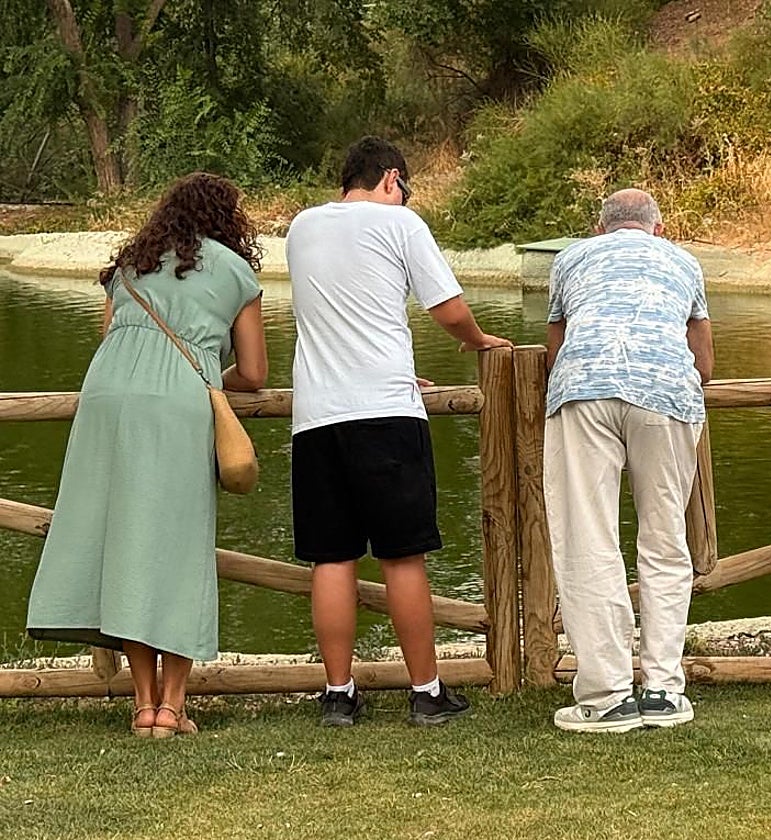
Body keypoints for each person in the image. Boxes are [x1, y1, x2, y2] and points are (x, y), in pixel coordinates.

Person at [27, 172, 267, 737]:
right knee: (177, 547)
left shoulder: (132, 263)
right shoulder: (235, 271)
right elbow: (255, 373)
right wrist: (207, 373)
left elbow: (112, 336)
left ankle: (142, 704)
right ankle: (172, 707)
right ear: (228, 219)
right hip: (177, 402)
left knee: (127, 542)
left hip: (106, 397)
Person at [285, 136, 511, 727]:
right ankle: (426, 691)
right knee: (402, 558)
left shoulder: (301, 228)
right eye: (403, 189)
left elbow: (343, 311)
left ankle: (339, 695)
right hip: (385, 411)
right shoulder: (402, 225)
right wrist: (477, 341)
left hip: (316, 416)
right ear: (391, 180)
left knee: (331, 560)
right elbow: (448, 307)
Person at [544, 188, 714, 733]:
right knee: (664, 541)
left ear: (600, 228)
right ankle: (663, 689)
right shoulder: (684, 262)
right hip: (666, 396)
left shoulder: (571, 258)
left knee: (589, 539)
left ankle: (607, 695)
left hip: (584, 393)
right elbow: (704, 361)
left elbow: (555, 349)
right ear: (657, 229)